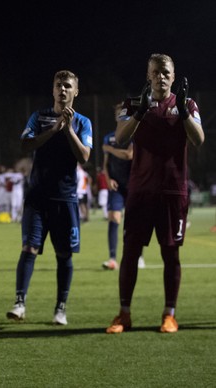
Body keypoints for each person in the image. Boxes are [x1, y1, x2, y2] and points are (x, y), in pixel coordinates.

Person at [106, 54, 204, 334]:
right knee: (130, 252)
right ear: (147, 76)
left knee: (170, 253)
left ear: (173, 76)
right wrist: (140, 111)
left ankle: (169, 315)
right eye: (155, 72)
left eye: (166, 72)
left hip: (174, 192)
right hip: (141, 191)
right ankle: (124, 314)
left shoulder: (187, 104)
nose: (161, 77)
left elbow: (198, 139)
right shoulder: (133, 104)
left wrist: (184, 111)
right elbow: (122, 137)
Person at [6, 70, 92, 326]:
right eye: (58, 86)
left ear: (76, 91)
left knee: (64, 254)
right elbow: (25, 145)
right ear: (53, 90)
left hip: (66, 199)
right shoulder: (38, 117)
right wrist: (54, 129)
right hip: (37, 197)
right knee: (29, 248)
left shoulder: (83, 122)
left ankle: (60, 309)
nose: (62, 90)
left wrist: (67, 131)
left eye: (67, 86)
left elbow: (84, 156)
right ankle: (20, 303)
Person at [101, 104, 145, 270]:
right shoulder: (109, 137)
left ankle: (139, 256)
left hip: (134, 185)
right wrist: (108, 178)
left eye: (125, 114)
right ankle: (112, 258)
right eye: (119, 114)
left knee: (134, 222)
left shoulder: (134, 136)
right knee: (114, 218)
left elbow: (129, 155)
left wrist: (109, 149)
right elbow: (105, 164)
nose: (122, 117)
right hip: (117, 185)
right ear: (115, 117)